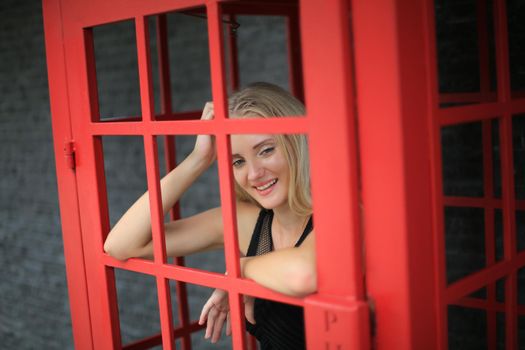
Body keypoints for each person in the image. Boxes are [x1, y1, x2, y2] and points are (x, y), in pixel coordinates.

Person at [104, 82, 316, 349]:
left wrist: (239, 269)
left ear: (295, 142)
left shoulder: (340, 214)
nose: (253, 174)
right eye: (238, 161)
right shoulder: (249, 222)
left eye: (266, 150)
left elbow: (305, 275)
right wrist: (198, 159)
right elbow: (121, 244)